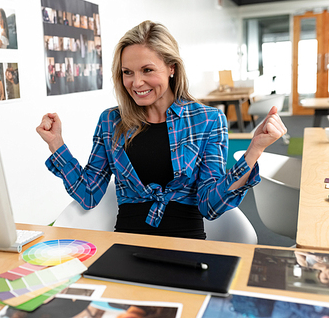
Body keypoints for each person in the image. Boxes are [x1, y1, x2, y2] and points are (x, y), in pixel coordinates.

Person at [37, 20, 287, 239]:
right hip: (126, 244)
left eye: (147, 70)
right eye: (127, 72)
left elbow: (211, 206)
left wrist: (255, 149)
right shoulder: (111, 121)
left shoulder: (207, 120)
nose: (136, 83)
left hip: (185, 245)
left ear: (171, 68)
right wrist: (56, 144)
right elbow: (88, 194)